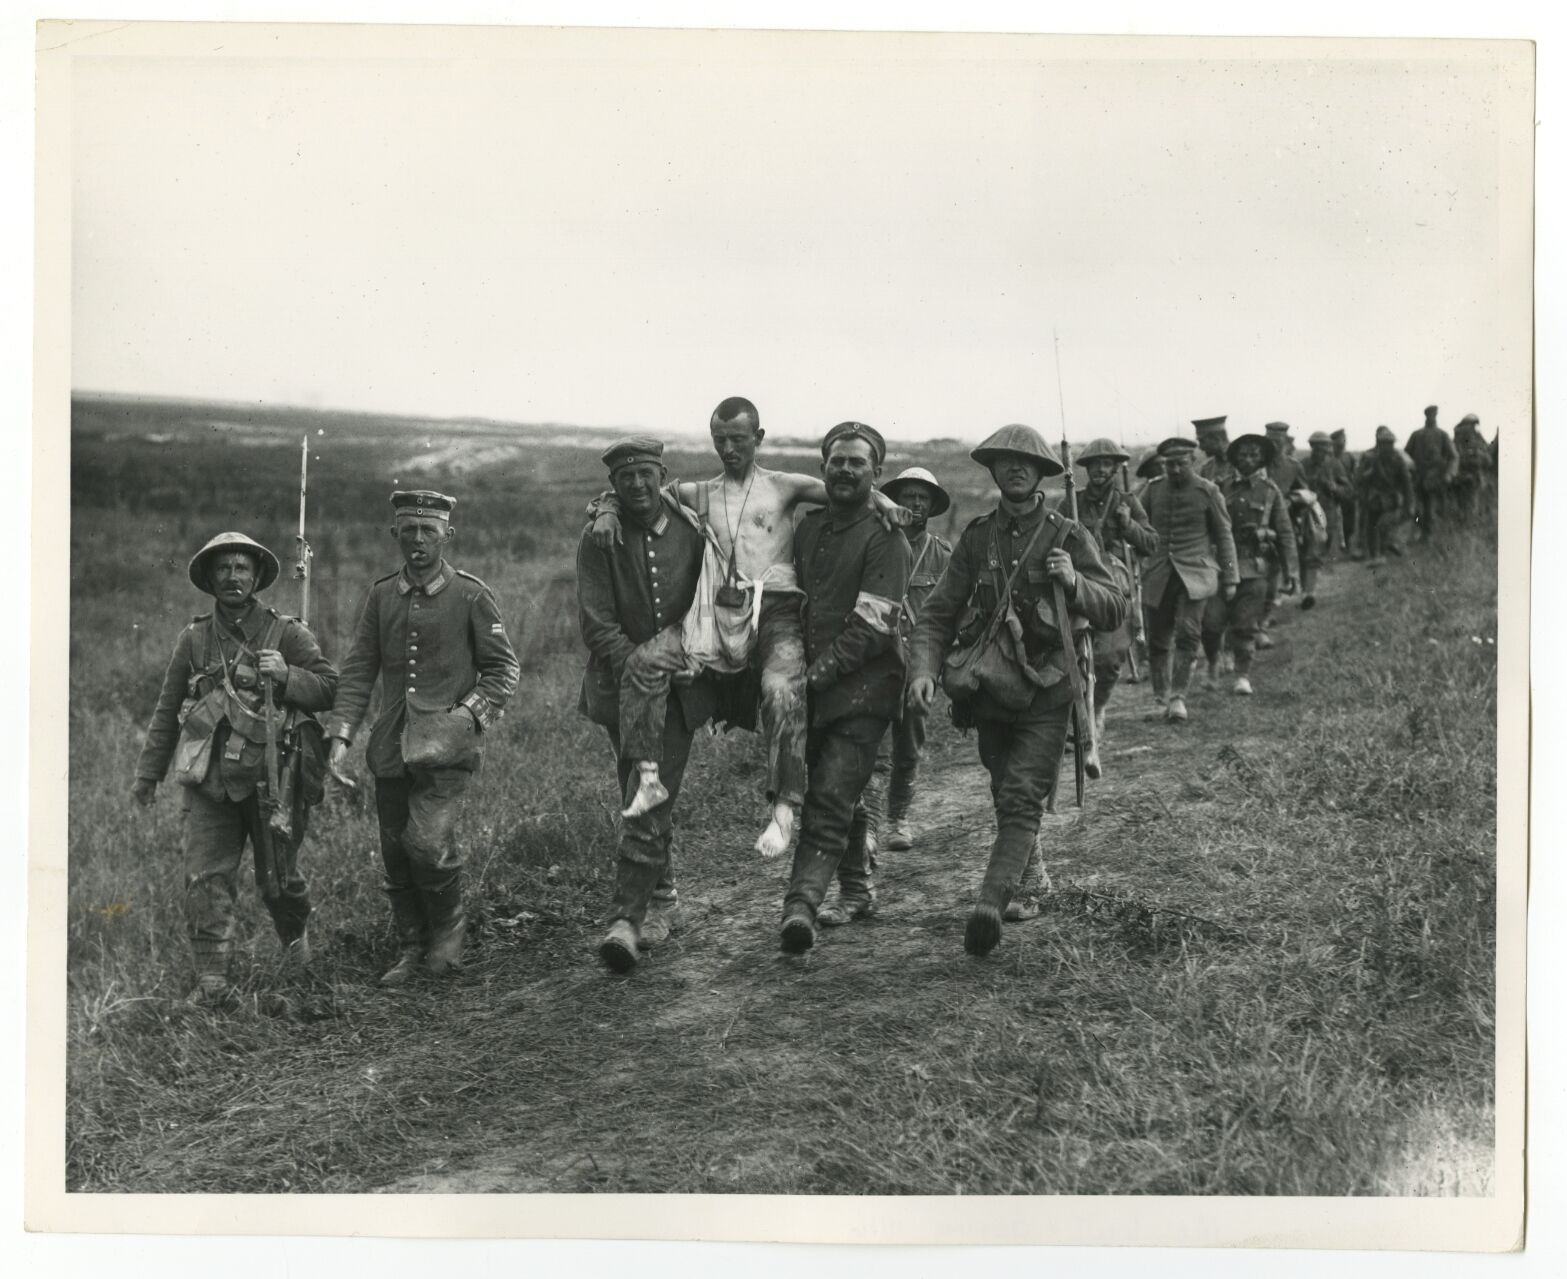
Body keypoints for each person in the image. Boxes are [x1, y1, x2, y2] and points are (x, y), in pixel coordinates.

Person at [589, 396, 905, 860]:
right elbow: (639, 491)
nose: (729, 448)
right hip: (716, 613)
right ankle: (650, 779)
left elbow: (847, 490)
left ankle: (783, 810)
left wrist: (884, 500)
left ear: (758, 438)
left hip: (775, 610)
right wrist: (606, 510)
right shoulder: (702, 492)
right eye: (720, 440)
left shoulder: (784, 486)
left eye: (738, 439)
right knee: (646, 663)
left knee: (782, 688)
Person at [907, 424, 1127, 957]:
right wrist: (923, 670)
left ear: (1042, 474)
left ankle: (989, 900)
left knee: (1023, 793)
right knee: (1005, 783)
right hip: (988, 689)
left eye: (1026, 463)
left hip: (1049, 687)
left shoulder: (1068, 535)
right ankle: (1031, 872)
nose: (1016, 469)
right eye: (1006, 461)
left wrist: (1075, 581)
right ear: (995, 470)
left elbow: (1115, 606)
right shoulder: (978, 536)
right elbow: (937, 613)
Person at [132, 532, 339, 1004]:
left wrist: (287, 676)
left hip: (272, 777)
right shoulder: (194, 638)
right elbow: (167, 711)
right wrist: (148, 776)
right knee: (204, 876)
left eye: (241, 568)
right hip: (209, 782)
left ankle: (297, 955)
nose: (232, 577)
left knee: (278, 879)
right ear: (208, 578)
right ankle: (212, 983)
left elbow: (330, 688)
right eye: (222, 569)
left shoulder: (286, 632)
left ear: (256, 576)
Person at [324, 491, 520, 986]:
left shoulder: (472, 595)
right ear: (395, 534)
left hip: (447, 749)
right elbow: (358, 668)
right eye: (407, 530)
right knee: (394, 850)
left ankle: (449, 932)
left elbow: (503, 670)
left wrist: (466, 719)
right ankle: (411, 945)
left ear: (446, 536)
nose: (416, 540)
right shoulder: (381, 594)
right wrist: (342, 733)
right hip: (391, 746)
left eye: (427, 530)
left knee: (427, 842)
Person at [576, 438, 718, 970]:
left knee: (647, 798)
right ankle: (664, 896)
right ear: (612, 486)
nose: (637, 484)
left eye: (645, 473)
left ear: (663, 474)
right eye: (625, 477)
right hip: (620, 690)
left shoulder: (692, 530)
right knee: (637, 790)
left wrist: (687, 657)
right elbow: (596, 620)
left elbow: (709, 602)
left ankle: (626, 918)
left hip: (681, 687)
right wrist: (639, 667)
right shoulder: (598, 538)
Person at [778, 423, 912, 952]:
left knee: (829, 796)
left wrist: (813, 677)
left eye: (858, 462)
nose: (846, 470)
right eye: (837, 461)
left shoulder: (888, 539)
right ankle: (856, 889)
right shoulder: (808, 529)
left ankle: (800, 908)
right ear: (822, 467)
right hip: (811, 691)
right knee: (842, 792)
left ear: (876, 473)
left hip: (863, 690)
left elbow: (874, 626)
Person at [856, 466, 954, 859]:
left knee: (910, 740)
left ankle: (899, 818)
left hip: (919, 660)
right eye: (909, 496)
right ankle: (873, 825)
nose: (915, 503)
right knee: (874, 743)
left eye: (923, 498)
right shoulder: (877, 542)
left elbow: (953, 612)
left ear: (931, 505)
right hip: (878, 656)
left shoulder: (943, 554)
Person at [1057, 439, 1157, 738]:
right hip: (1082, 582)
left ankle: (1097, 707)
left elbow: (1151, 543)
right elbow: (1052, 536)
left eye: (1106, 464)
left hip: (1117, 586)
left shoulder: (1128, 501)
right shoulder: (1071, 501)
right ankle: (1074, 716)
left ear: (1115, 468)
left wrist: (1128, 525)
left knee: (1110, 658)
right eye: (1094, 464)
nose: (1100, 470)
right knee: (1070, 653)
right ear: (1086, 469)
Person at [1138, 437, 1238, 723]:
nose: (1175, 469)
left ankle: (1178, 697)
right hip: (1159, 574)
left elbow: (1224, 536)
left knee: (1188, 633)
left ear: (1192, 462)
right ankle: (1160, 699)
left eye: (1181, 463)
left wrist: (1230, 576)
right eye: (1169, 464)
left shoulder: (1208, 491)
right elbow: (1137, 522)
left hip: (1196, 574)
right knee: (1158, 640)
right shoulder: (1153, 490)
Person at [1211, 435, 1298, 695]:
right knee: (1216, 619)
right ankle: (1220, 657)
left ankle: (1242, 674)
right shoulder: (1219, 487)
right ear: (1235, 457)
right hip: (1221, 564)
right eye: (1243, 455)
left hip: (1254, 565)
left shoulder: (1270, 491)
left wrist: (1291, 570)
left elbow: (1285, 532)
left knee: (1246, 622)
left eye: (1254, 455)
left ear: (1262, 459)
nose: (1248, 460)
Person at [1258, 422, 1308, 645]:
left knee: (1273, 578)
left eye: (1278, 441)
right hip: (1257, 526)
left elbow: (1305, 493)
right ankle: (1254, 625)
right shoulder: (1255, 464)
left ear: (1285, 442)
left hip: (1282, 526)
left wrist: (1291, 500)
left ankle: (1262, 623)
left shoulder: (1293, 466)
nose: (1274, 445)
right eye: (1270, 440)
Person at [1299, 431, 1353, 597]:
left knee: (1317, 550)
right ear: (1311, 447)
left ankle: (1310, 590)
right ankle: (1308, 590)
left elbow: (1348, 490)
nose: (1320, 452)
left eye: (1324, 448)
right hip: (1306, 514)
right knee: (1305, 551)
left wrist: (1334, 488)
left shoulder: (1335, 465)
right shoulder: (1303, 464)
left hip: (1327, 514)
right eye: (1317, 448)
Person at [1357, 427, 1417, 566]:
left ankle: (1384, 551)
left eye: (1390, 444)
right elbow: (1360, 479)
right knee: (1371, 527)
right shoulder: (1371, 459)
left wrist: (1409, 505)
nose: (1387, 447)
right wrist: (1368, 475)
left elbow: (1407, 485)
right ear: (1379, 443)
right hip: (1374, 499)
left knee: (1382, 525)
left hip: (1391, 499)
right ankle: (1375, 555)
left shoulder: (1398, 460)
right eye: (1384, 443)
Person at [1405, 405, 1459, 541]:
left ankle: (1430, 536)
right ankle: (1422, 531)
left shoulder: (1442, 435)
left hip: (1436, 478)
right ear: (1426, 416)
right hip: (1418, 477)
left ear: (1436, 416)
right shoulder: (1416, 435)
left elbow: (1454, 456)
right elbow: (1406, 454)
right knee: (1415, 508)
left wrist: (1449, 474)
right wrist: (1411, 468)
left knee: (1432, 508)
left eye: (1434, 415)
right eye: (1429, 415)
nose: (1431, 417)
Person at [1451, 413, 1491, 521]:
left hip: (1468, 473)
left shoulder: (1467, 436)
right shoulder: (1470, 437)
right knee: (1470, 498)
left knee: (1467, 499)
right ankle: (1469, 520)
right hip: (1469, 473)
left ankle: (1467, 519)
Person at [1330, 429, 1360, 557]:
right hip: (1332, 494)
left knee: (1349, 521)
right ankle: (1334, 549)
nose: (1343, 443)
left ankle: (1347, 546)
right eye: (1340, 440)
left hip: (1347, 494)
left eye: (1344, 440)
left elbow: (1354, 474)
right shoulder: (1330, 458)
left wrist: (1354, 489)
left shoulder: (1349, 457)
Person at [1194, 416, 1233, 485]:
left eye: (1202, 441)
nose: (1200, 447)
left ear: (1216, 439)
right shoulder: (1206, 469)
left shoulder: (1243, 462)